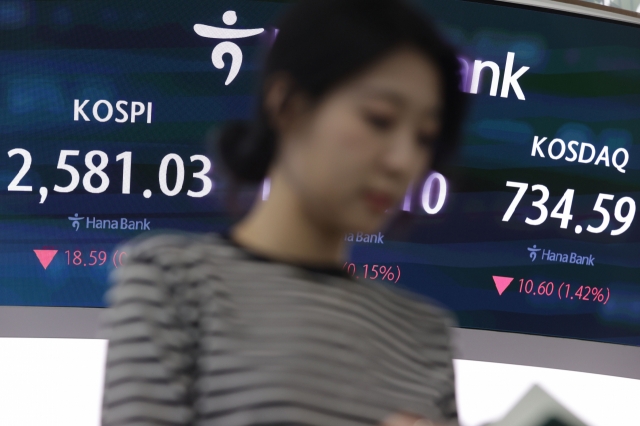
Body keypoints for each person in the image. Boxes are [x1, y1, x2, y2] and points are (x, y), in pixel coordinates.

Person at [99, 0, 467, 425]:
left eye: (425, 138)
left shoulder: (427, 334)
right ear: (287, 104)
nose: (403, 160)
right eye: (379, 120)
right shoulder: (172, 278)